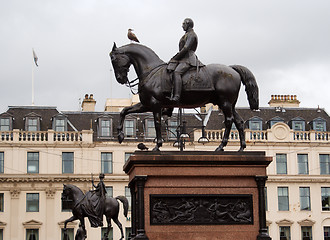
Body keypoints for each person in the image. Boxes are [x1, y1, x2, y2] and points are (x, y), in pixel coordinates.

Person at [167, 18, 202, 103]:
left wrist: (176, 57)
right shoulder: (187, 34)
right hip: (183, 58)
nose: (182, 26)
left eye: (183, 24)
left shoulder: (191, 34)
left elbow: (186, 48)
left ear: (188, 24)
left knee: (177, 72)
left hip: (188, 59)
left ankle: (177, 97)